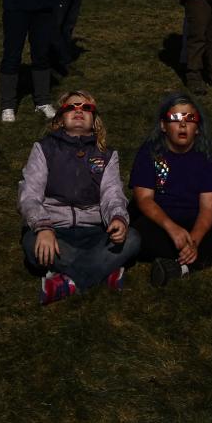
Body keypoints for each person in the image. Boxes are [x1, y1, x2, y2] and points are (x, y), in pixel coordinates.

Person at [18, 90, 140, 305]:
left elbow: (112, 195)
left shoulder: (106, 154)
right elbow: (29, 196)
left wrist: (118, 219)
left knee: (133, 239)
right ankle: (104, 271)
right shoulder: (44, 149)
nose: (78, 111)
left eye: (86, 108)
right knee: (31, 242)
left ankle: (67, 281)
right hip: (56, 232)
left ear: (94, 120)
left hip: (96, 232)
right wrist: (44, 227)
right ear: (60, 118)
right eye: (71, 107)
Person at [128, 93, 212, 287]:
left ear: (198, 129)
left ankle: (182, 268)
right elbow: (144, 199)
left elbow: (208, 209)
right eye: (176, 118)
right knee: (136, 236)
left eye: (190, 119)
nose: (183, 124)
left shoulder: (206, 158)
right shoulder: (149, 152)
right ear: (163, 126)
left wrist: (194, 241)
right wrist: (172, 228)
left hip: (193, 220)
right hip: (159, 221)